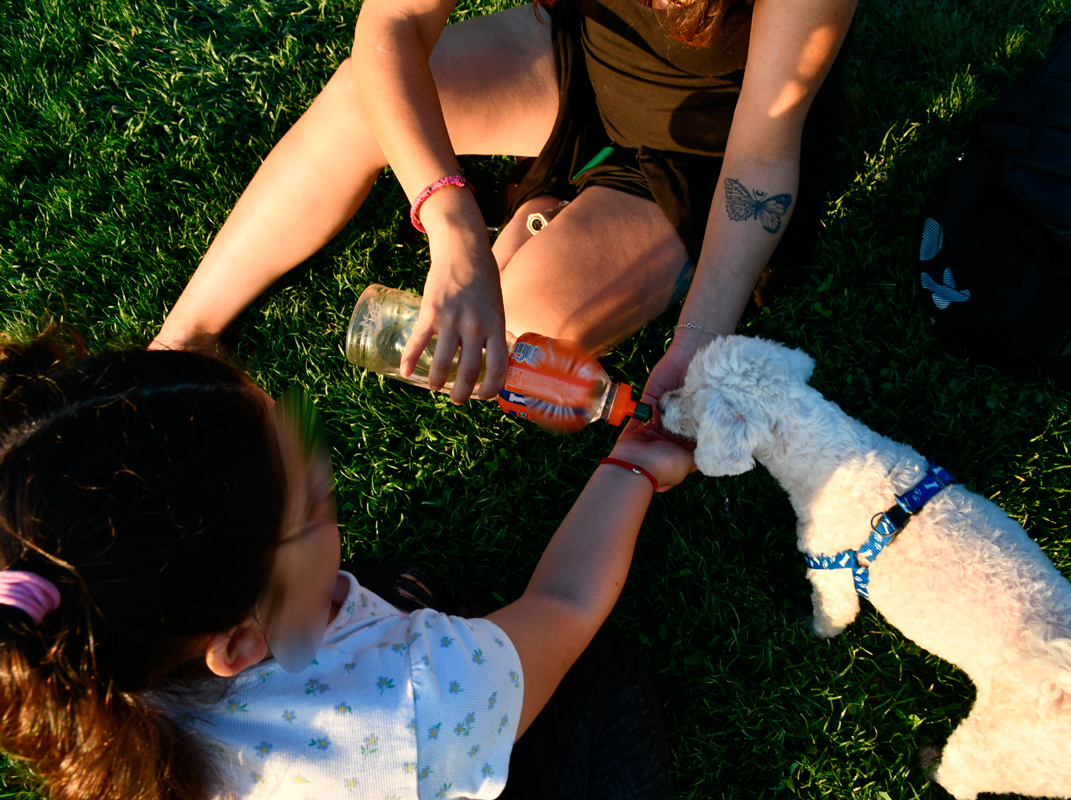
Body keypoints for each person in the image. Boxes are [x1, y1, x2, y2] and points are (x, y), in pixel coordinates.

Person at [0, 335, 693, 799]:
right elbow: (567, 602)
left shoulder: (81, 653)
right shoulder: (420, 692)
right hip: (408, 744)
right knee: (599, 675)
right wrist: (633, 464)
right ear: (242, 642)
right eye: (311, 504)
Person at [149, 0, 857, 406]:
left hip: (707, 142)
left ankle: (552, 206)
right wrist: (451, 221)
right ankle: (179, 343)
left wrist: (701, 342)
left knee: (522, 331)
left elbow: (760, 157)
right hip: (579, 57)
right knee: (356, 105)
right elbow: (392, 25)